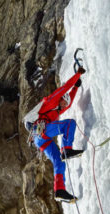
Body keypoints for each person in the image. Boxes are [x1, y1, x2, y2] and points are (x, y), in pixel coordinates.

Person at [26, 67, 86, 203]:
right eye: (64, 101)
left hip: (40, 139)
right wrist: (77, 75)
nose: (65, 104)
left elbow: (68, 102)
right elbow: (65, 88)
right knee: (69, 124)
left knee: (59, 161)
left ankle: (59, 190)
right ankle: (67, 150)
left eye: (66, 103)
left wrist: (76, 88)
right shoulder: (51, 102)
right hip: (41, 130)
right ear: (60, 99)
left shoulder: (58, 109)